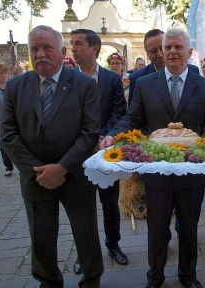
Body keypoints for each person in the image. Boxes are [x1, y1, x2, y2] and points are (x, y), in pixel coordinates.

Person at [100, 27, 205, 288]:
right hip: (157, 171)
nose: (172, 51)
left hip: (192, 170)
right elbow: (132, 118)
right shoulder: (143, 84)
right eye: (168, 47)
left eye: (178, 47)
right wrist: (113, 135)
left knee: (188, 228)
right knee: (157, 228)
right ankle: (155, 277)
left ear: (189, 51)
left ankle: (188, 277)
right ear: (162, 52)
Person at [0, 25, 104, 287]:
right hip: (35, 179)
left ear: (62, 51)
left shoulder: (84, 85)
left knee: (86, 235)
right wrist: (37, 170)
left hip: (76, 176)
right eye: (34, 49)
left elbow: (90, 132)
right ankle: (48, 282)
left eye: (47, 47)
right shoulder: (15, 87)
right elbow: (7, 133)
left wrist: (62, 167)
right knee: (41, 238)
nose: (40, 54)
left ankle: (91, 281)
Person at [70, 28, 128, 273]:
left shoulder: (112, 79)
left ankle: (113, 243)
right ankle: (85, 252)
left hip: (106, 150)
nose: (73, 48)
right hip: (78, 152)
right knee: (82, 206)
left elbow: (118, 112)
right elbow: (66, 116)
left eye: (78, 43)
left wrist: (104, 137)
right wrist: (86, 139)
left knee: (109, 202)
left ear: (94, 48)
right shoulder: (67, 79)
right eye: (72, 44)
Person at [128, 29, 200, 105]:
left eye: (162, 48)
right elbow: (134, 114)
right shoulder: (137, 79)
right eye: (154, 51)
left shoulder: (193, 71)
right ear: (148, 55)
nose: (160, 54)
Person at [0, 62, 14, 177]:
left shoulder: (12, 86)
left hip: (13, 120)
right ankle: (8, 166)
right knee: (3, 144)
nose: (4, 75)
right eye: (1, 73)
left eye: (5, 73)